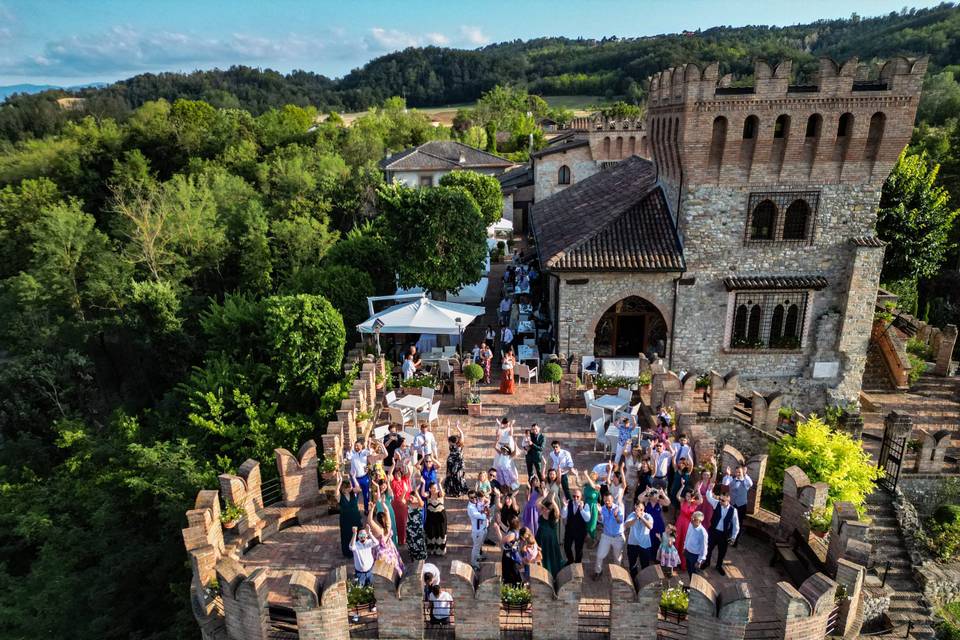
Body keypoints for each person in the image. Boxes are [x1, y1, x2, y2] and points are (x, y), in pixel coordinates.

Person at [704, 484, 739, 576]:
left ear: (728, 500)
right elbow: (709, 497)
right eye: (720, 499)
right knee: (709, 548)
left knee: (722, 551)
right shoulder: (716, 504)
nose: (720, 501)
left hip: (724, 534)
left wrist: (733, 537)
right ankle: (707, 562)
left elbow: (736, 525)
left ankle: (719, 566)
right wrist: (709, 489)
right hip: (713, 531)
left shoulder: (733, 510)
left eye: (723, 500)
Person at [593, 493, 625, 580]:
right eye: (605, 500)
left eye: (609, 501)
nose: (607, 502)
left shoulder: (619, 509)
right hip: (606, 536)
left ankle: (617, 574)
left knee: (617, 558)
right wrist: (599, 513)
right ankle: (598, 571)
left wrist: (615, 516)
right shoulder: (602, 509)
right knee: (599, 555)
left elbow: (620, 521)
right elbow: (600, 520)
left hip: (618, 537)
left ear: (612, 500)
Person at [346, 439, 381, 513]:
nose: (356, 447)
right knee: (355, 495)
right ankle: (354, 510)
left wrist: (368, 444)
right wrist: (351, 447)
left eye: (358, 446)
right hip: (355, 479)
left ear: (362, 446)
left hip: (364, 477)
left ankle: (366, 509)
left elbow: (369, 452)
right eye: (355, 446)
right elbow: (348, 457)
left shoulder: (364, 452)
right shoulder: (352, 453)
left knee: (366, 495)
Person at [624, 499, 656, 580]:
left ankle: (644, 581)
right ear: (635, 508)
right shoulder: (632, 515)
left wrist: (641, 517)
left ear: (643, 509)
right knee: (632, 565)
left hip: (645, 545)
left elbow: (650, 526)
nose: (639, 511)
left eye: (641, 509)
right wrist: (636, 518)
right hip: (632, 544)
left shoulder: (648, 516)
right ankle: (634, 581)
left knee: (645, 566)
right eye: (637, 509)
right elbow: (626, 525)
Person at [722, 466, 753, 547]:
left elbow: (750, 484)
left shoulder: (745, 482)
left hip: (741, 505)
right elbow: (726, 485)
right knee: (729, 521)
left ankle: (735, 541)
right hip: (732, 504)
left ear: (742, 472)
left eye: (739, 472)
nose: (737, 474)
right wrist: (728, 475)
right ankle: (727, 537)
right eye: (736, 472)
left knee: (738, 523)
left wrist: (745, 475)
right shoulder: (732, 480)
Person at [674, 488, 702, 571]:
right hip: (680, 523)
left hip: (688, 526)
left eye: (689, 496)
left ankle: (683, 563)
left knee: (684, 543)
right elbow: (677, 496)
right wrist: (682, 487)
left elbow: (700, 500)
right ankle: (675, 562)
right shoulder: (683, 502)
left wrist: (699, 490)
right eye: (686, 496)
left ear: (693, 497)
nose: (688, 497)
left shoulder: (695, 504)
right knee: (677, 541)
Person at [337, 472, 363, 557]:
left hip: (355, 518)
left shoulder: (353, 493)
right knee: (347, 535)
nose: (349, 489)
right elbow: (336, 492)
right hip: (345, 520)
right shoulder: (340, 496)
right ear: (342, 489)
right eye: (346, 488)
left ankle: (358, 550)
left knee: (357, 533)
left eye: (349, 487)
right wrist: (340, 481)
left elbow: (359, 489)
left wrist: (354, 477)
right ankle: (348, 553)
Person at [562, 488, 591, 565]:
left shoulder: (586, 505)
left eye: (577, 496)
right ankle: (570, 560)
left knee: (578, 549)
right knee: (567, 547)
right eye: (574, 496)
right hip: (569, 530)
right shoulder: (569, 503)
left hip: (580, 531)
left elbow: (587, 519)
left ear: (581, 497)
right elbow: (563, 515)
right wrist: (565, 507)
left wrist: (581, 509)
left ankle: (578, 563)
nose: (575, 498)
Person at [371, 509, 404, 576]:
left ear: (377, 520)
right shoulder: (388, 526)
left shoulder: (378, 530)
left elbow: (370, 521)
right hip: (390, 550)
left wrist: (371, 510)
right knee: (394, 565)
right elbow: (387, 511)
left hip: (382, 553)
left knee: (381, 569)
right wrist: (383, 503)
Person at [536, 498, 564, 579]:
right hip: (541, 540)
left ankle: (552, 574)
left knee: (551, 557)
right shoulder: (541, 514)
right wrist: (543, 496)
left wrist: (553, 501)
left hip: (550, 542)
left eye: (547, 509)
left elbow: (558, 512)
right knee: (542, 556)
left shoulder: (553, 518)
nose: (545, 510)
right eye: (544, 508)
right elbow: (537, 503)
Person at [443, 422, 469, 496]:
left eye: (450, 441)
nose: (450, 442)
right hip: (456, 462)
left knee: (453, 475)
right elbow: (462, 434)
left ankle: (454, 489)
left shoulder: (455, 444)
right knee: (457, 475)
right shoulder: (460, 443)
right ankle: (457, 489)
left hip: (454, 462)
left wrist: (449, 426)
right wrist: (457, 427)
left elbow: (448, 436)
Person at [467, 489, 490, 569]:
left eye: (475, 497)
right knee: (476, 547)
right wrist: (485, 512)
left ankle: (478, 556)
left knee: (479, 545)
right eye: (471, 498)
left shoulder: (477, 502)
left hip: (483, 528)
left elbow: (486, 501)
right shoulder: (471, 508)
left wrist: (485, 503)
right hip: (477, 531)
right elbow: (482, 516)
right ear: (469, 498)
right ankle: (474, 563)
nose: (474, 499)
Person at [682, 511, 709, 579]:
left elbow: (704, 548)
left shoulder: (703, 533)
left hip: (695, 556)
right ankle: (691, 583)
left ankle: (693, 587)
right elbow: (687, 536)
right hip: (688, 551)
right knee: (689, 569)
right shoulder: (690, 524)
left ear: (700, 521)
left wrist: (700, 560)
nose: (692, 520)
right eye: (692, 518)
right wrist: (684, 547)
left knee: (694, 573)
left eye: (694, 519)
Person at [389, 465, 411, 545]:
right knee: (396, 522)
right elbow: (389, 475)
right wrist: (393, 464)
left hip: (403, 505)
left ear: (401, 474)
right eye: (396, 474)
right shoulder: (393, 482)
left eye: (399, 474)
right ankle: (396, 540)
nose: (397, 475)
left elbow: (409, 473)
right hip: (395, 505)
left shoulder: (404, 481)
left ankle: (403, 540)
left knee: (403, 522)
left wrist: (407, 465)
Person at [406, 479, 427, 561]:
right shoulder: (408, 504)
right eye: (410, 496)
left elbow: (422, 503)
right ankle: (413, 556)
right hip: (410, 526)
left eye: (412, 497)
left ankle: (421, 557)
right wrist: (408, 494)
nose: (411, 498)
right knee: (411, 541)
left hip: (417, 527)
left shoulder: (419, 504)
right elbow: (403, 500)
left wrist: (416, 493)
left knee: (419, 541)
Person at [425, 482, 447, 556]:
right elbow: (422, 494)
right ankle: (432, 550)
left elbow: (442, 494)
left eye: (435, 488)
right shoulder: (428, 494)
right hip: (431, 516)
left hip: (440, 516)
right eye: (433, 488)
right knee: (431, 532)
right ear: (430, 489)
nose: (434, 489)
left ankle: (440, 551)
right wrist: (423, 483)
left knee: (441, 532)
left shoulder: (439, 494)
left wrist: (440, 484)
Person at [501, 516, 524, 586]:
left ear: (510, 523)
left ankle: (514, 587)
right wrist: (500, 523)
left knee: (510, 571)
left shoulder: (512, 535)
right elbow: (506, 529)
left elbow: (502, 541)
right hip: (512, 553)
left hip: (510, 555)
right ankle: (515, 585)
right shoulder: (515, 530)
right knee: (513, 571)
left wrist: (497, 530)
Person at [580, 469, 601, 543]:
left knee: (592, 524)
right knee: (586, 522)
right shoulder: (586, 485)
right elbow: (579, 484)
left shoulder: (597, 486)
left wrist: (586, 475)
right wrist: (576, 474)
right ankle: (588, 537)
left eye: (593, 476)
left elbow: (593, 486)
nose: (592, 477)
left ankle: (594, 539)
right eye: (591, 476)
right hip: (586, 505)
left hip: (593, 506)